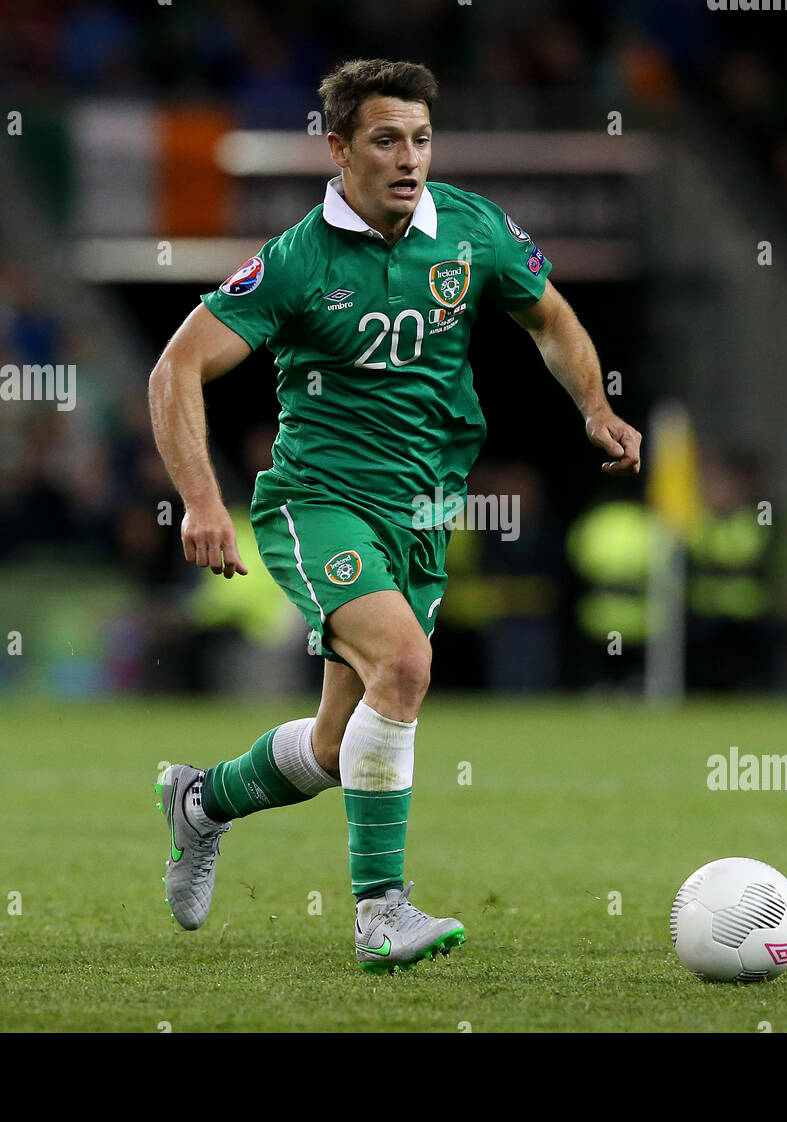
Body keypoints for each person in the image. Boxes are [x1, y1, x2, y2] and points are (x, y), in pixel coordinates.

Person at [147, 58, 641, 973]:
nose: (408, 158)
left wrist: (594, 408)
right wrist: (203, 501)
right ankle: (383, 912)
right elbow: (175, 367)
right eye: (385, 140)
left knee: (340, 748)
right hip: (319, 504)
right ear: (338, 149)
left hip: (421, 515)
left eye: (419, 138)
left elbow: (550, 315)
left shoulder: (470, 229)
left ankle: (201, 802)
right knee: (406, 665)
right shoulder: (299, 261)